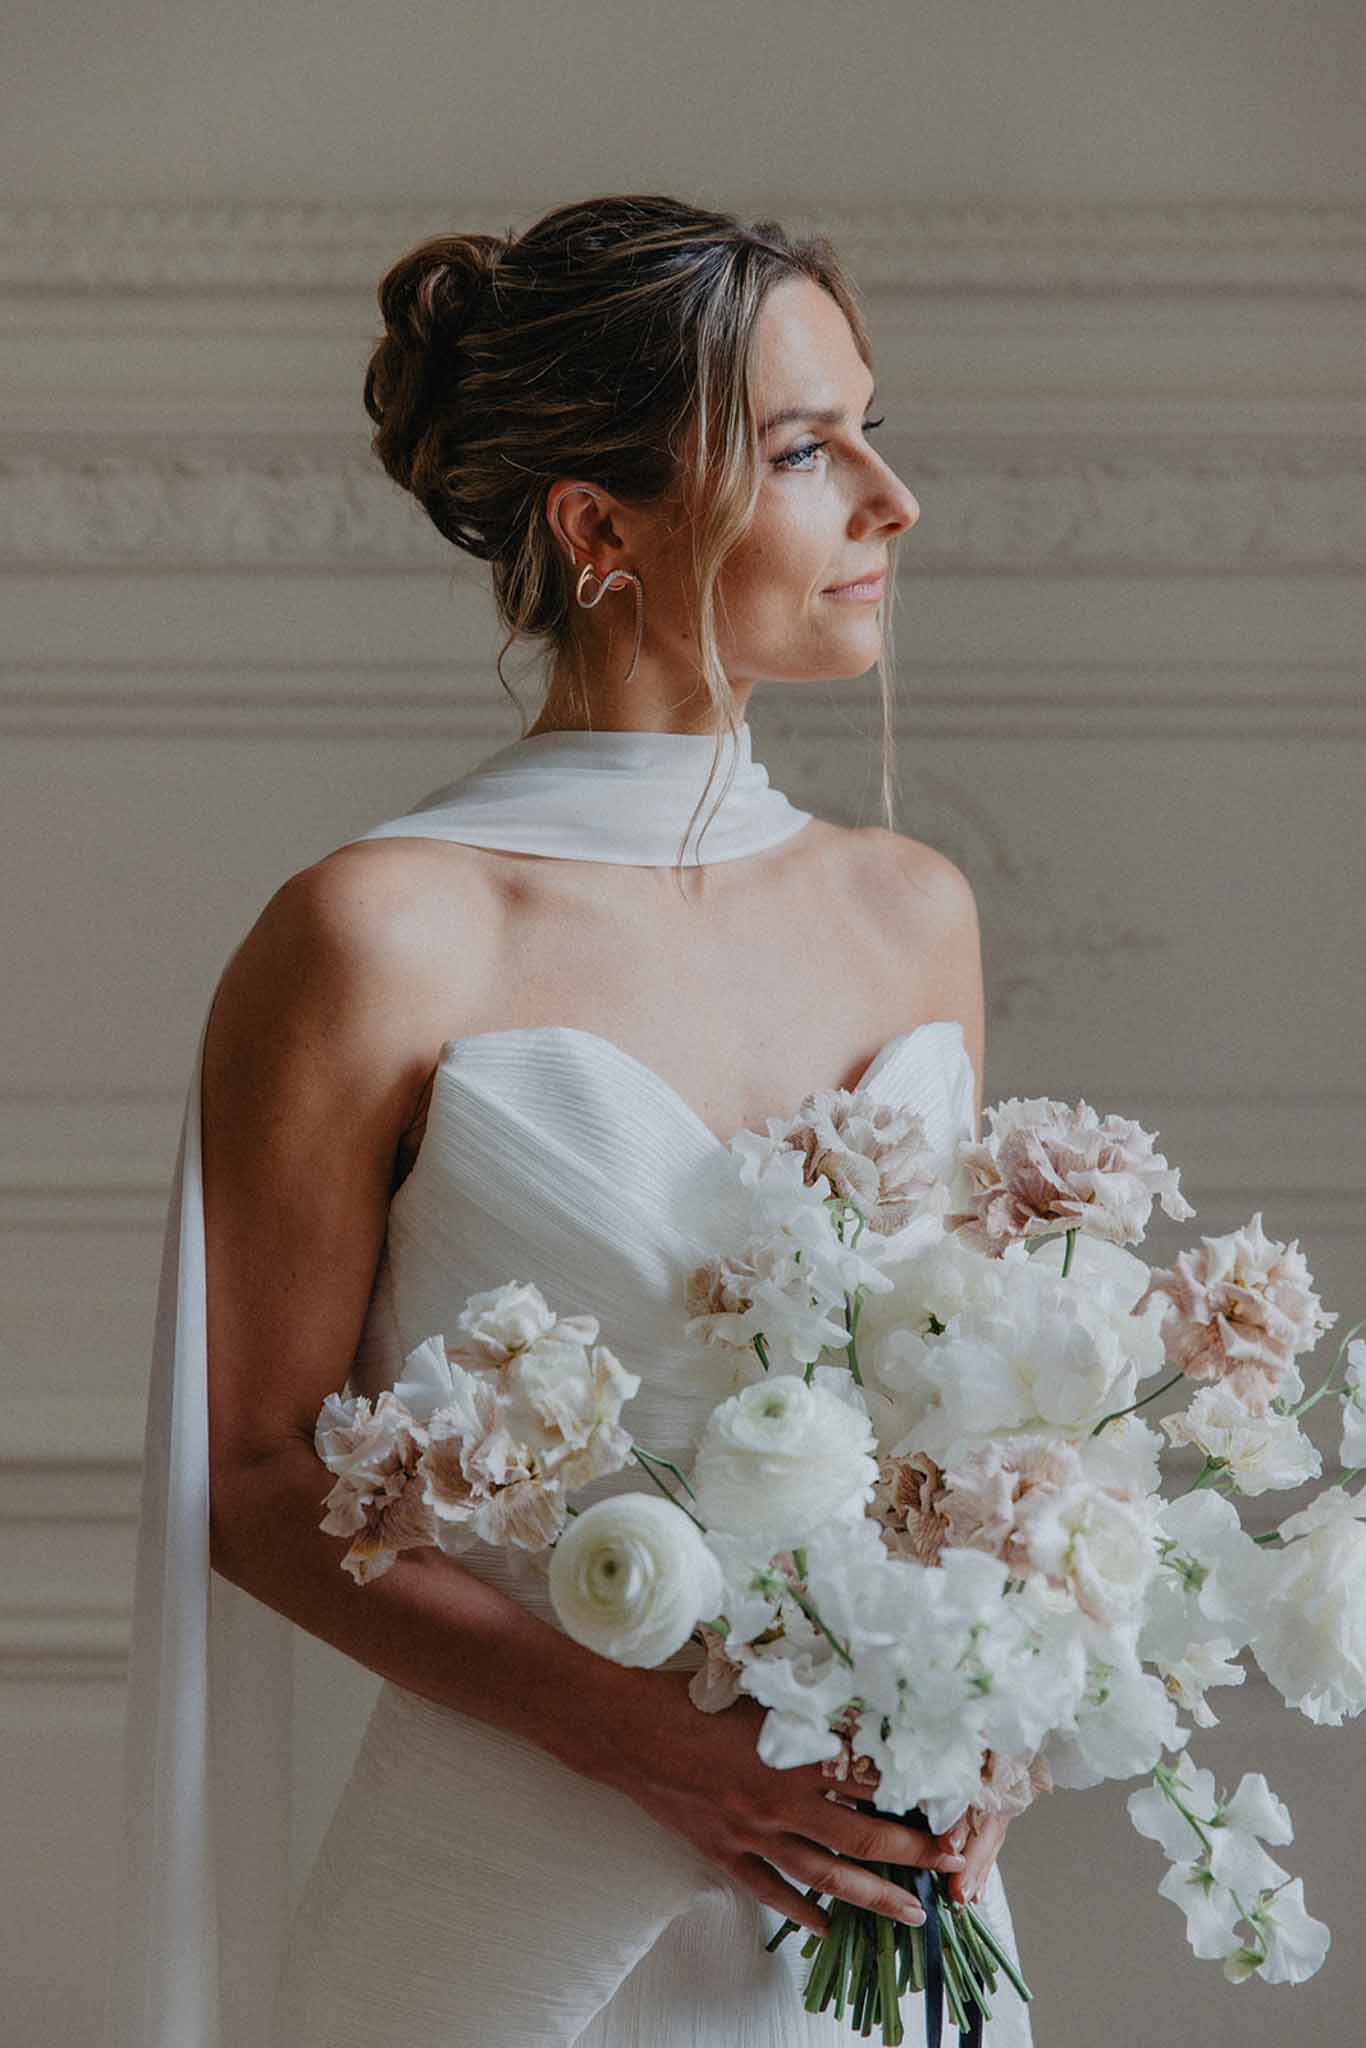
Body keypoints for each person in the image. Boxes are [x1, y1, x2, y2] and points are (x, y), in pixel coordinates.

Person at [104, 193, 1033, 2047]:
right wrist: (658, 1750)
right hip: (508, 1890)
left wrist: (986, 1699)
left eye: (869, 427)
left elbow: (968, 1419)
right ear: (598, 528)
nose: (892, 498)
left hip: (887, 1883)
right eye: (803, 449)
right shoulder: (380, 934)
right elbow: (258, 1476)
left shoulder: (909, 910)